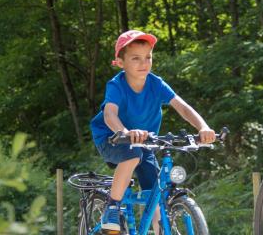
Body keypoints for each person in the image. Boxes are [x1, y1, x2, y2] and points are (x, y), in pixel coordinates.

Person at [90, 30, 216, 233]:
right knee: (132, 155)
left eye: (148, 57)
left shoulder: (156, 83)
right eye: (136, 58)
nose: (144, 63)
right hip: (112, 138)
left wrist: (203, 127)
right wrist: (125, 132)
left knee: (155, 195)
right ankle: (112, 207)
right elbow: (110, 115)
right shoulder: (116, 85)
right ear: (121, 63)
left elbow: (182, 107)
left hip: (144, 142)